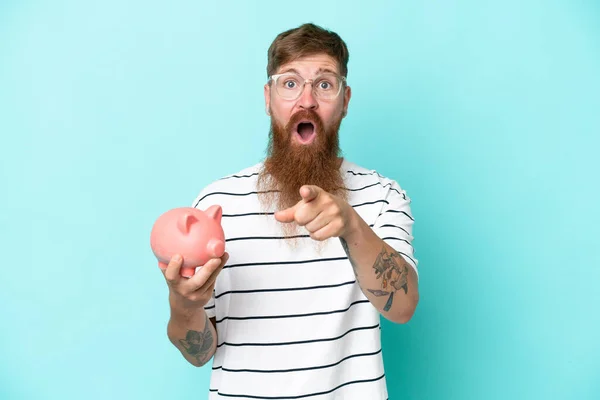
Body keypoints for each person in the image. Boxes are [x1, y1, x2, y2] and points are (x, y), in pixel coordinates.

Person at [159, 22, 419, 399]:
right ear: (268, 98)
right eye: (290, 83)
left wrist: (351, 224)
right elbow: (198, 353)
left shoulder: (382, 195)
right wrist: (183, 304)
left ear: (345, 101)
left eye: (325, 84)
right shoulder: (218, 204)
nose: (308, 100)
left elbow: (404, 307)